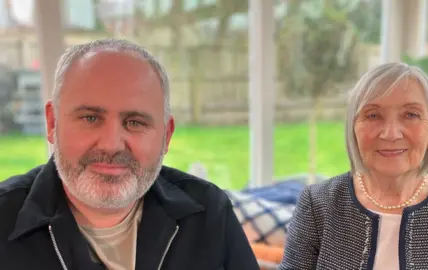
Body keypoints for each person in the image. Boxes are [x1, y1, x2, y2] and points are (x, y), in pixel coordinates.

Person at [0, 39, 260, 270]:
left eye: (135, 122)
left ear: (166, 136)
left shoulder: (209, 213)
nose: (112, 145)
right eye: (90, 118)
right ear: (52, 123)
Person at [279, 62, 428, 269]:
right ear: (353, 130)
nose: (391, 134)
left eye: (411, 114)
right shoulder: (317, 205)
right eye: (373, 115)